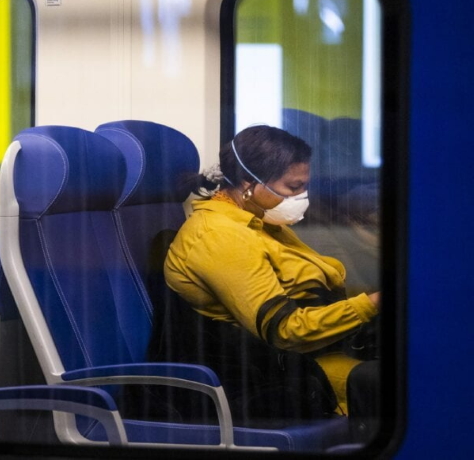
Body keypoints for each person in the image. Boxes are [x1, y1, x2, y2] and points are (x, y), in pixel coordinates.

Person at [157, 125, 379, 433]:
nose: (301, 197)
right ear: (249, 183)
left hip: (320, 350)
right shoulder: (220, 237)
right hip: (283, 369)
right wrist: (370, 305)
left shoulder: (260, 221)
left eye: (304, 187)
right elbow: (285, 330)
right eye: (292, 187)